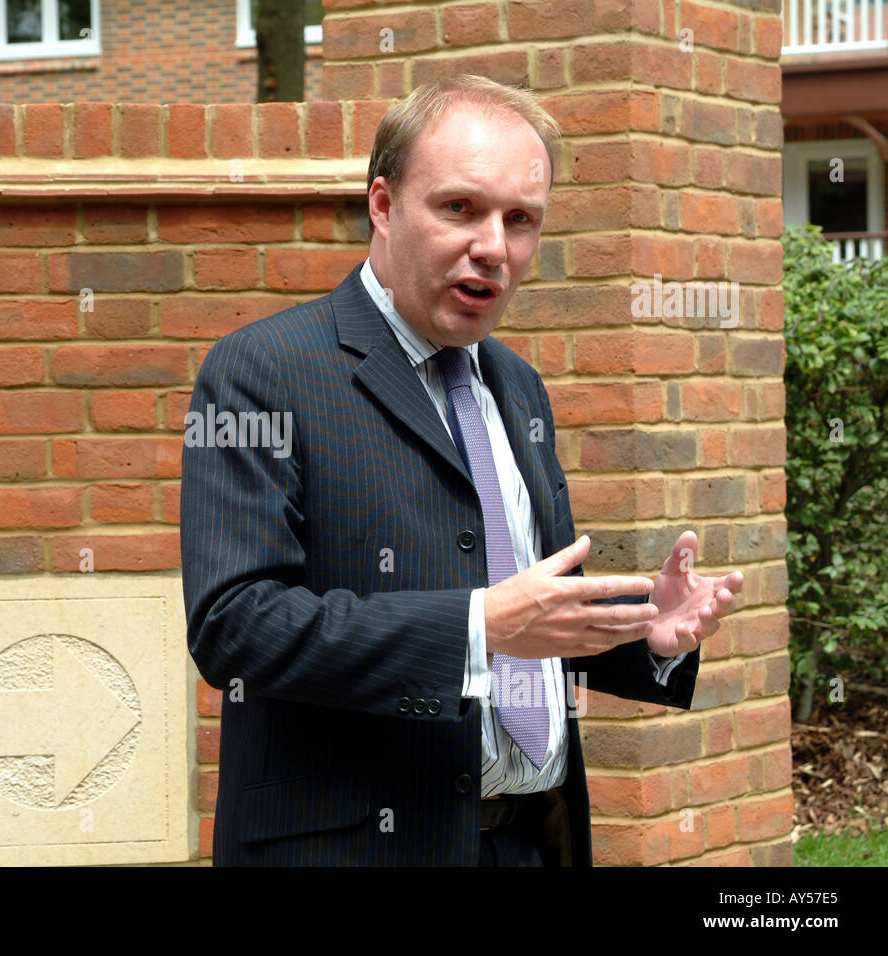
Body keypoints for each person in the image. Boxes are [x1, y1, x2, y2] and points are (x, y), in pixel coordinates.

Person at [180, 74, 746, 866]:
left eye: (521, 221)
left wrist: (641, 636)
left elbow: (525, 607)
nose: (494, 247)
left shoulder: (517, 386)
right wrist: (478, 626)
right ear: (382, 204)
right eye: (460, 208)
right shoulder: (258, 371)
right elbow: (233, 625)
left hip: (534, 843)